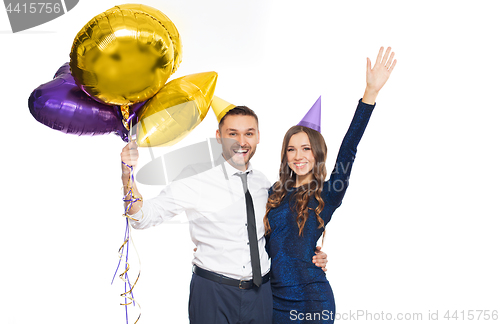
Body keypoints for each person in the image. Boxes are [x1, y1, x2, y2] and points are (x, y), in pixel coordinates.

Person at [120, 102, 328, 323]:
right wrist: (127, 177)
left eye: (248, 133)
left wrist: (309, 254)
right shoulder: (196, 178)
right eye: (232, 134)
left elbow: (273, 235)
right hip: (213, 292)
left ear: (258, 136)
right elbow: (141, 218)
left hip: (262, 295)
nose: (241, 142)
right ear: (219, 136)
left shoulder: (263, 184)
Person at [264, 47, 397, 323]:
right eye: (291, 149)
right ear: (284, 154)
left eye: (305, 149)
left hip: (314, 298)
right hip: (274, 299)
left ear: (317, 154)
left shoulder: (329, 192)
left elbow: (349, 148)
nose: (298, 156)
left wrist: (369, 94)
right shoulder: (271, 194)